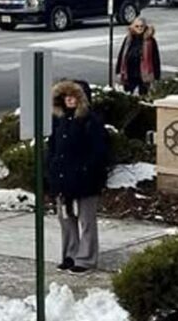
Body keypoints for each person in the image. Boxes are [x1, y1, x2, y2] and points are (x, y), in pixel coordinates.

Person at [47, 80, 109, 274]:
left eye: (74, 96)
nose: (70, 100)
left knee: (86, 220)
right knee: (66, 218)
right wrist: (51, 169)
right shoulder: (59, 121)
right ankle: (70, 254)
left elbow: (99, 151)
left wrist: (86, 170)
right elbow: (53, 148)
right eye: (66, 96)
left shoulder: (91, 121)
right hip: (63, 179)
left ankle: (86, 258)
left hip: (85, 180)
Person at [115, 17, 161, 95]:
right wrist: (118, 70)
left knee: (143, 94)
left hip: (143, 74)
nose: (139, 28)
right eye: (137, 26)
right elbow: (122, 54)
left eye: (141, 26)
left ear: (145, 27)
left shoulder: (150, 41)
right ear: (133, 27)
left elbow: (155, 58)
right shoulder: (128, 39)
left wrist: (157, 75)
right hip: (130, 72)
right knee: (128, 94)